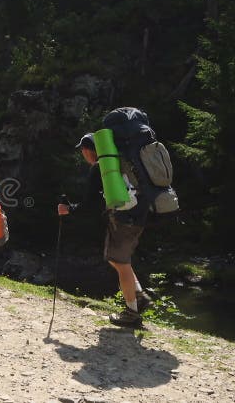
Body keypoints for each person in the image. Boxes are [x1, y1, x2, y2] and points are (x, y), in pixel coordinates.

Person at [58, 133, 153, 327]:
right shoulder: (120, 165)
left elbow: (90, 205)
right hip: (139, 215)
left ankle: (132, 312)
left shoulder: (99, 169)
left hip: (123, 220)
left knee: (120, 261)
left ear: (87, 150)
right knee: (116, 260)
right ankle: (139, 297)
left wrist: (69, 209)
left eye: (83, 151)